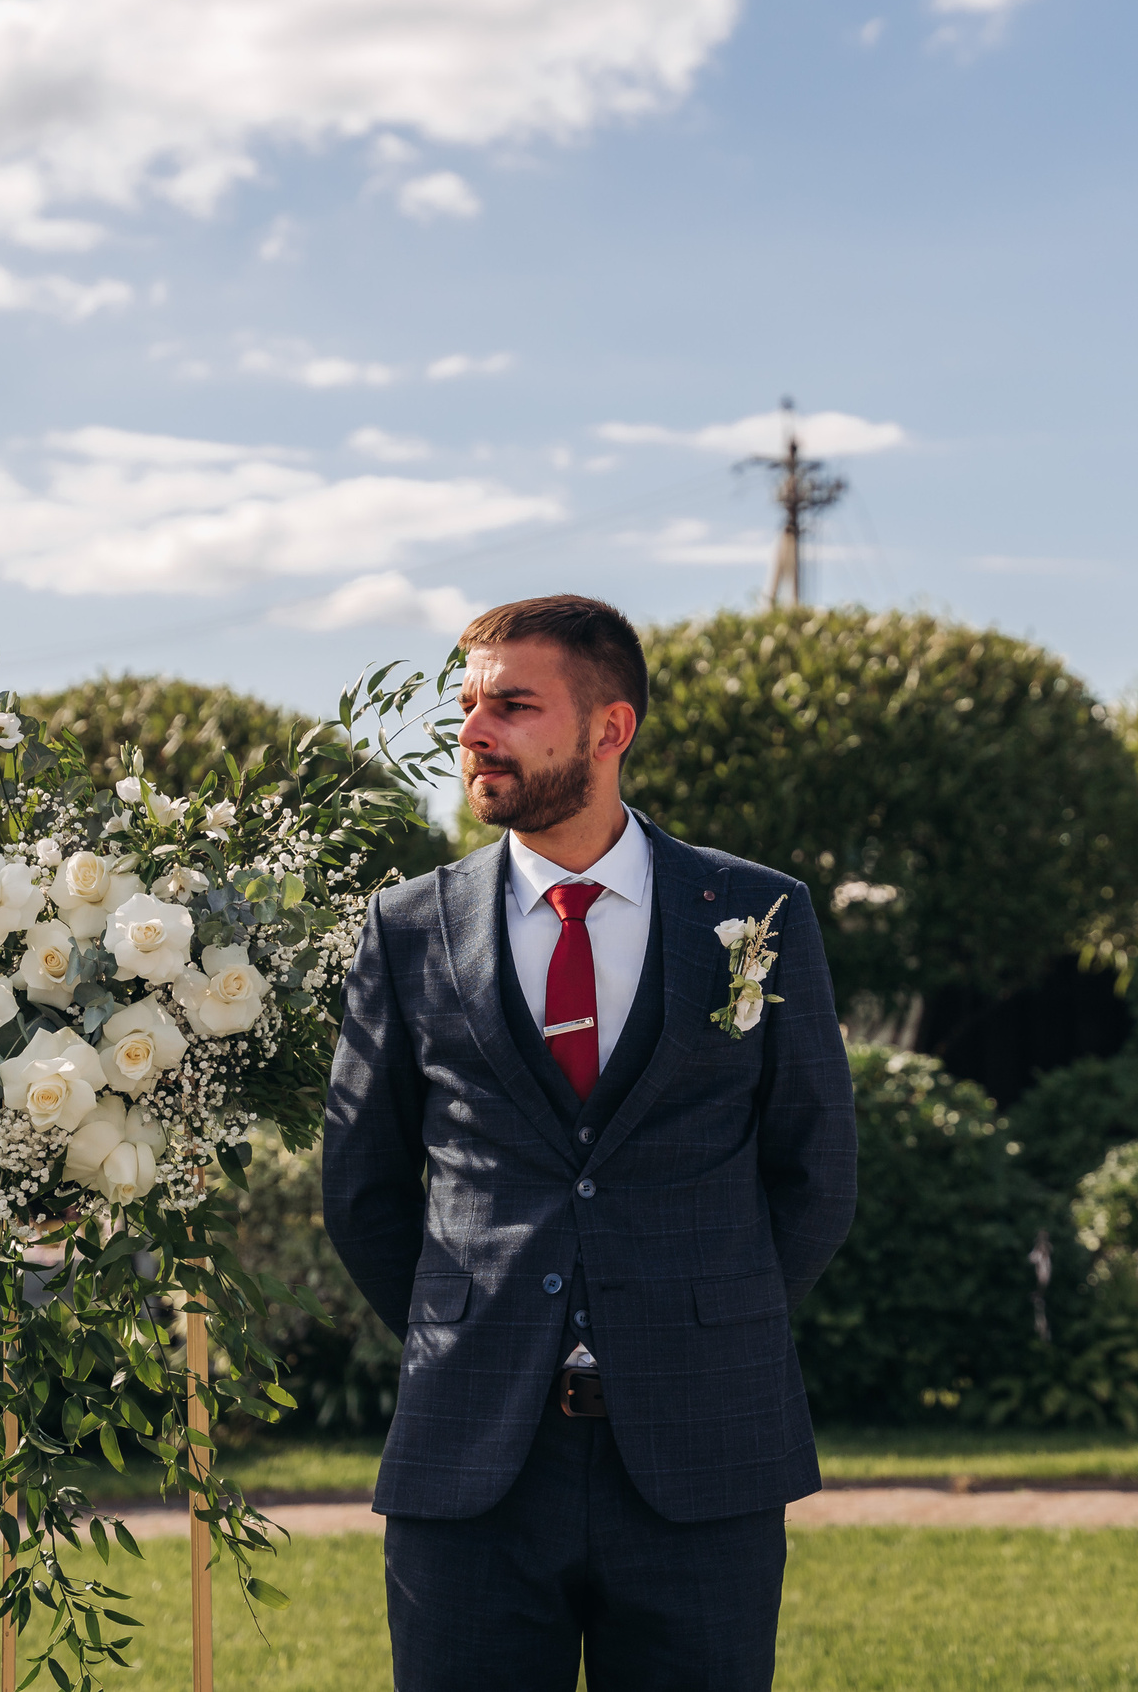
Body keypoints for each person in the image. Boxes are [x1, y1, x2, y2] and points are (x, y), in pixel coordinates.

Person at [323, 593, 858, 1692]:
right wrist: (473, 1322)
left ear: (609, 730)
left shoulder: (757, 914)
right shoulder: (407, 927)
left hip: (704, 1453)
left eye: (512, 705)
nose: (473, 731)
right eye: (467, 704)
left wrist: (701, 1316)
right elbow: (364, 1186)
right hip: (471, 1455)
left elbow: (815, 1172)